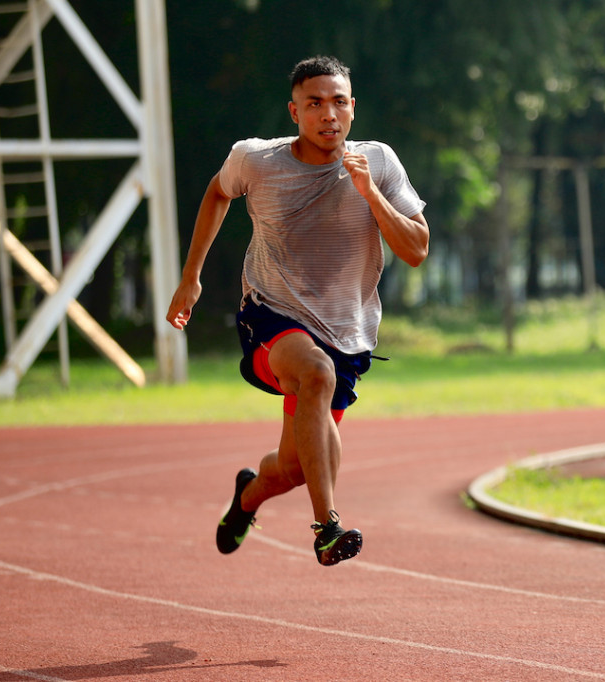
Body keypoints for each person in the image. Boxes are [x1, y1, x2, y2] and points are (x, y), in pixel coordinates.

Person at [166, 55, 429, 566]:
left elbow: (416, 250)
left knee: (291, 469)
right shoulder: (257, 161)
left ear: (353, 109)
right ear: (294, 112)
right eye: (314, 104)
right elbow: (217, 193)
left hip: (347, 333)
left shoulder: (377, 162)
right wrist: (190, 278)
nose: (327, 114)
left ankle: (247, 497)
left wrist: (370, 192)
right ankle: (327, 527)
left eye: (338, 103)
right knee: (315, 371)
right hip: (271, 314)